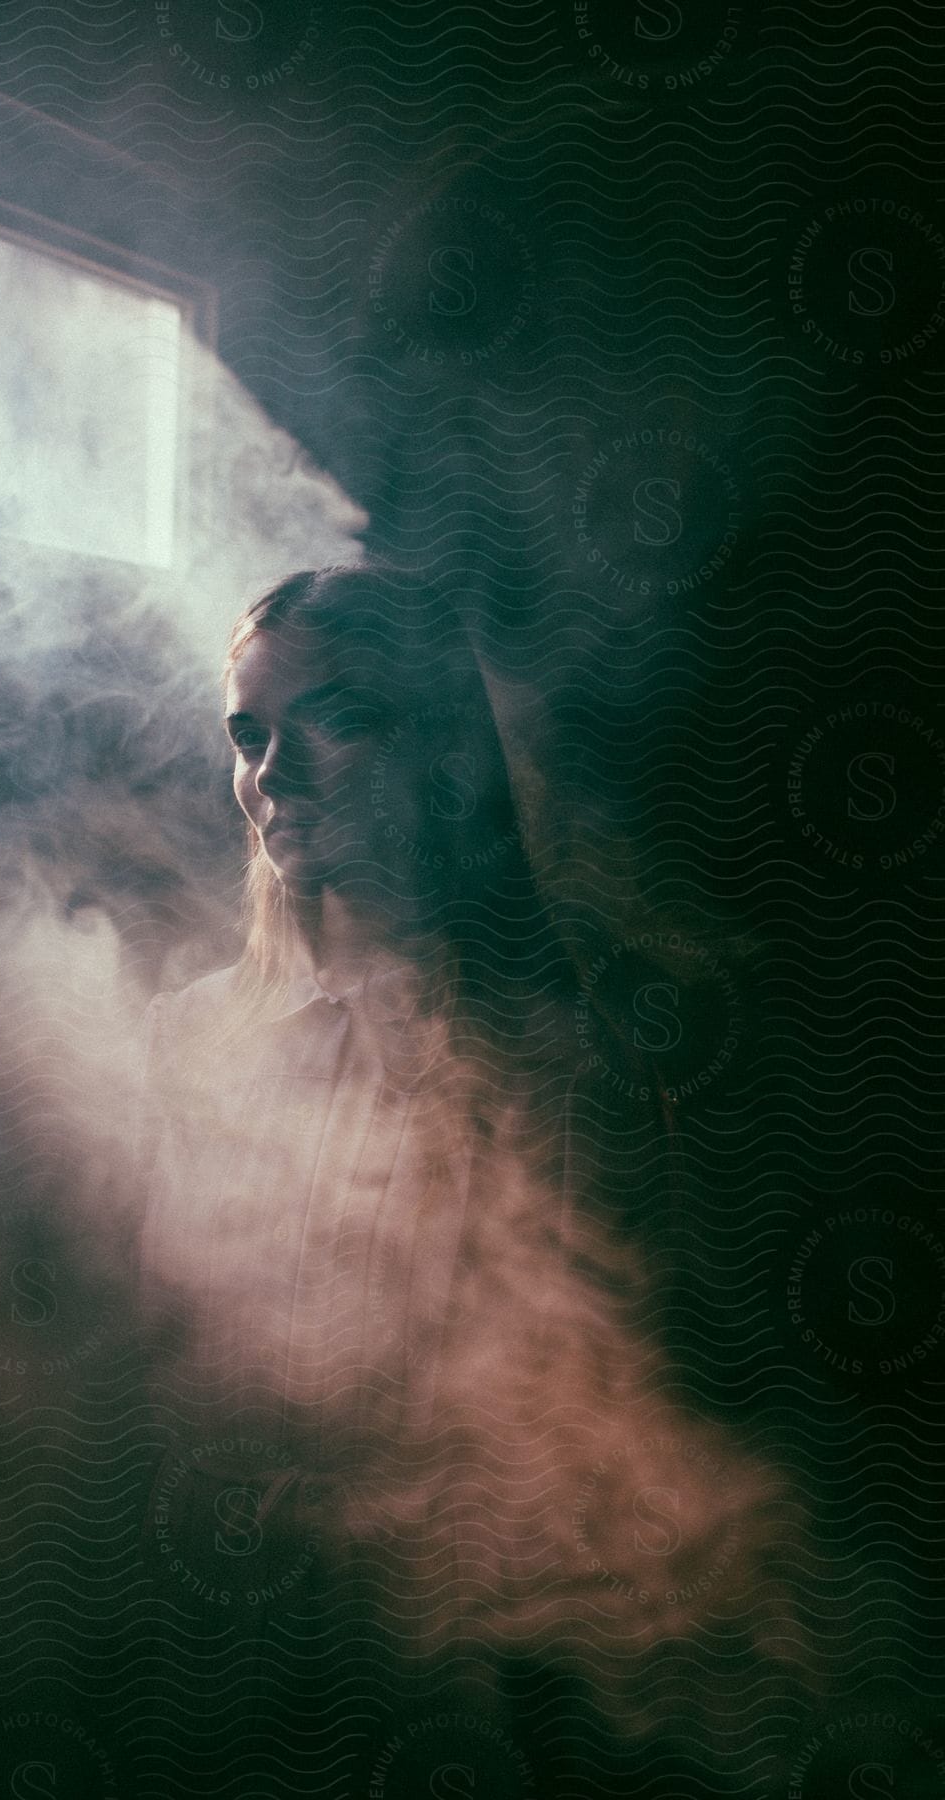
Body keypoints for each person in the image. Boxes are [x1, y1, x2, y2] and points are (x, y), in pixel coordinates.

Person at [134, 563, 807, 1794]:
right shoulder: (194, 1040)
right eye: (247, 733)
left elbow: (654, 1399)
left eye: (333, 720)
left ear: (442, 749)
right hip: (242, 1646)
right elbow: (153, 1375)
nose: (269, 776)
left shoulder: (590, 1045)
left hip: (502, 1659)